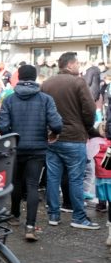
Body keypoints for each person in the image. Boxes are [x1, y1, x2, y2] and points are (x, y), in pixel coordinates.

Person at [0, 64, 62, 241]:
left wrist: (11, 136)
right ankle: (30, 227)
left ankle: (15, 216)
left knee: (16, 182)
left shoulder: (9, 100)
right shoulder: (45, 99)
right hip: (38, 148)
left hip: (16, 147)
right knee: (33, 185)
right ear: (35, 78)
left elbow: (2, 126)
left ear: (19, 77)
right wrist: (53, 134)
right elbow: (56, 124)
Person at [41, 52, 99, 230]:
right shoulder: (78, 82)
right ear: (71, 65)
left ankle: (53, 215)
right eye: (78, 63)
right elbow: (89, 110)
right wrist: (88, 128)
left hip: (53, 137)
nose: (79, 66)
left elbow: (43, 109)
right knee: (75, 179)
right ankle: (79, 217)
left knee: (52, 177)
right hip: (74, 136)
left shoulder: (47, 83)